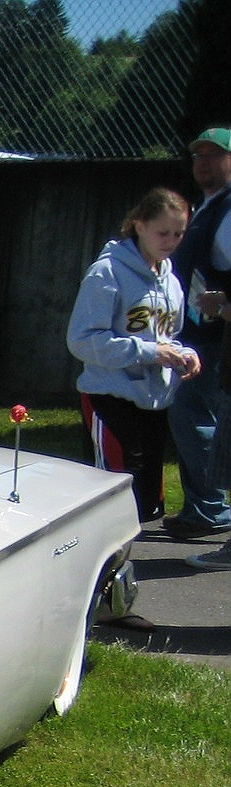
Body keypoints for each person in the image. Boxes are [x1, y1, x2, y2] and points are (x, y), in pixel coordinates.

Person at [67, 187, 200, 607]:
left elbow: (169, 336)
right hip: (111, 397)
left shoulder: (170, 280)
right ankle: (99, 596)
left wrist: (184, 355)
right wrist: (147, 351)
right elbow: (82, 340)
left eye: (179, 234)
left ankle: (114, 587)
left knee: (142, 504)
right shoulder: (107, 272)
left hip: (153, 402)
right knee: (113, 500)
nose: (171, 242)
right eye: (163, 233)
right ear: (139, 224)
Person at [165, 129, 231, 542]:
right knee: (193, 418)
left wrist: (223, 302)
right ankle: (203, 506)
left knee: (193, 418)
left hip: (214, 337)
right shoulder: (208, 207)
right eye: (198, 156)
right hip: (197, 333)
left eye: (214, 154)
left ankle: (209, 507)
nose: (203, 162)